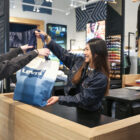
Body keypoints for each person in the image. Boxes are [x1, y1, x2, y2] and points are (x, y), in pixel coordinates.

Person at [35, 30, 110, 112]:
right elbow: (62, 53)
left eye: (87, 50)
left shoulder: (100, 78)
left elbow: (84, 99)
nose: (84, 52)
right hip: (75, 110)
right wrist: (47, 38)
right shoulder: (79, 62)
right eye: (84, 49)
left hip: (91, 114)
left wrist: (60, 99)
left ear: (96, 53)